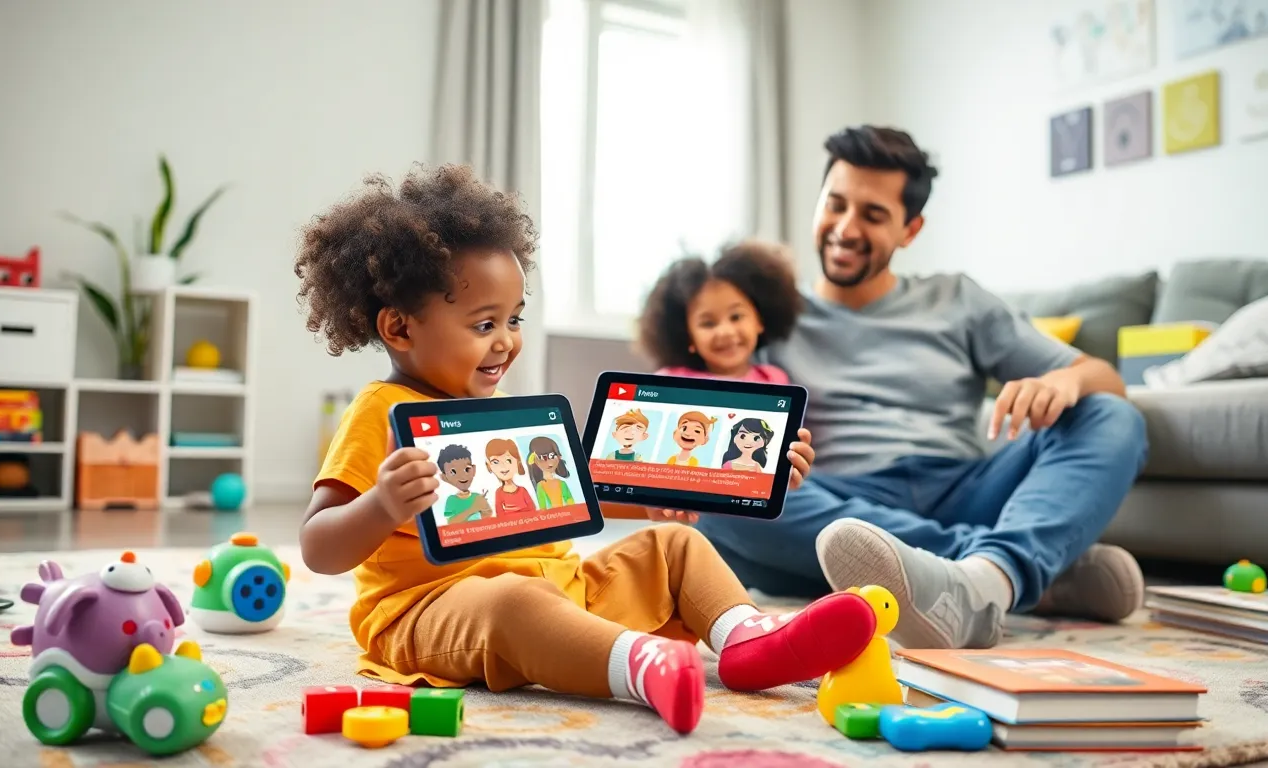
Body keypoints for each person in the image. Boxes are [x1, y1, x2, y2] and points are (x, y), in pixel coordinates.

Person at [293, 162, 876, 735]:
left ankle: (746, 639)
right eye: (483, 325)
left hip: (562, 587)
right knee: (514, 604)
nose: (507, 343)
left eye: (514, 319)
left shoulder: (498, 410)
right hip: (430, 610)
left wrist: (687, 490)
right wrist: (383, 506)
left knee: (676, 544)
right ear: (399, 328)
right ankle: (640, 666)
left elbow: (572, 493)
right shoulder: (380, 410)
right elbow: (319, 546)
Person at [692, 126, 1150, 651]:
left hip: (967, 489)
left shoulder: (958, 300)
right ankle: (1005, 571)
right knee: (723, 493)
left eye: (873, 214)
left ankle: (978, 574)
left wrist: (1064, 379)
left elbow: (1107, 379)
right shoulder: (766, 317)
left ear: (910, 229)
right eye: (835, 204)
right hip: (840, 502)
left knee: (1113, 416)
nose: (845, 227)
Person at [639, 239, 803, 384]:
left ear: (760, 320)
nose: (725, 332)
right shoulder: (670, 382)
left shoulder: (774, 380)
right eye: (708, 323)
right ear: (687, 335)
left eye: (736, 317)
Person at [527, 435, 574, 509]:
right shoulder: (540, 486)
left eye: (552, 456)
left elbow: (570, 501)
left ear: (559, 456)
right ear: (534, 461)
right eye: (542, 457)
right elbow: (543, 507)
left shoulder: (562, 483)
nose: (549, 462)